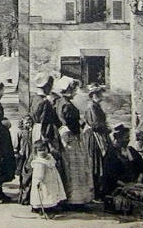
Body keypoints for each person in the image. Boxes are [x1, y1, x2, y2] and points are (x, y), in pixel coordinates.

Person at [102, 124, 143, 216]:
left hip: (136, 180)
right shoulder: (111, 153)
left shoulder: (131, 150)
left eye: (128, 137)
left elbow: (141, 168)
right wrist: (127, 185)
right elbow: (110, 176)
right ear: (118, 138)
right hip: (119, 183)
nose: (128, 140)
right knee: (131, 191)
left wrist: (138, 181)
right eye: (126, 137)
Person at [54, 76, 94, 207]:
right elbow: (71, 123)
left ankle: (71, 197)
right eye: (73, 89)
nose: (75, 92)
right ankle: (75, 199)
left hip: (66, 135)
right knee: (74, 167)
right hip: (71, 137)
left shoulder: (60, 101)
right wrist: (81, 128)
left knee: (70, 167)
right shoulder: (66, 105)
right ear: (67, 90)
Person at [84, 83, 110, 195]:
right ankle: (96, 190)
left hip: (99, 135)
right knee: (95, 161)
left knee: (100, 161)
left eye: (100, 93)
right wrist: (106, 129)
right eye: (97, 93)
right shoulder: (92, 107)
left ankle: (100, 188)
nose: (100, 95)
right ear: (92, 95)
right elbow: (95, 124)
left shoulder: (96, 106)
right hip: (94, 137)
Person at [30, 140, 66, 214]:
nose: (42, 152)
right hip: (43, 182)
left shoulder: (50, 158)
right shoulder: (39, 162)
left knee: (51, 194)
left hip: (51, 180)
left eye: (44, 150)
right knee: (43, 194)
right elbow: (38, 175)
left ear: (47, 149)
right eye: (40, 150)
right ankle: (40, 207)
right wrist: (38, 181)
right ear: (36, 152)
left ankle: (51, 206)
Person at [15, 114, 34, 204]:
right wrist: (18, 153)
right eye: (26, 122)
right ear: (22, 123)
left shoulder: (33, 131)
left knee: (30, 177)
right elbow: (16, 145)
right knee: (23, 177)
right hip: (23, 157)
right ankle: (22, 197)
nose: (28, 124)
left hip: (31, 156)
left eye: (30, 122)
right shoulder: (20, 132)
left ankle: (29, 197)